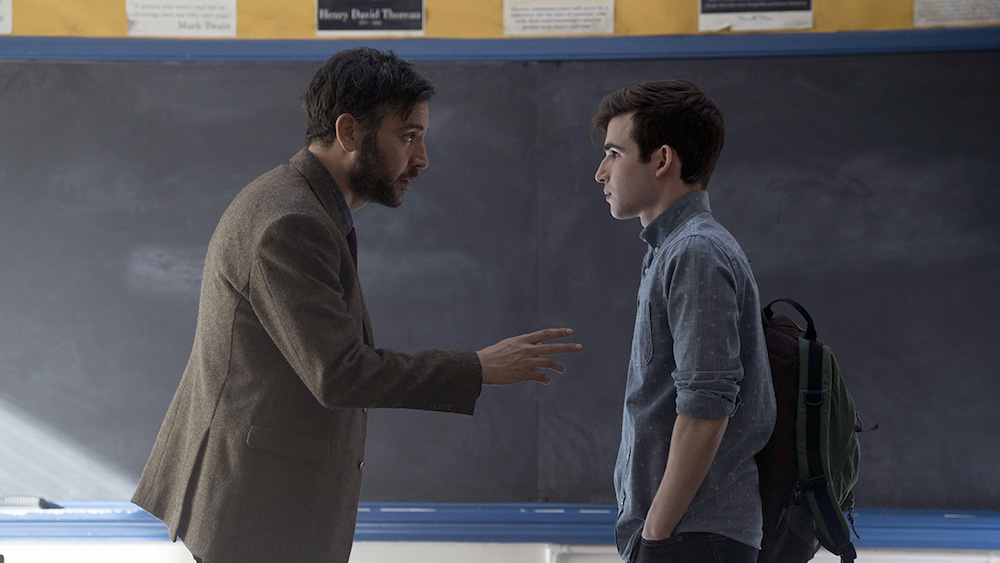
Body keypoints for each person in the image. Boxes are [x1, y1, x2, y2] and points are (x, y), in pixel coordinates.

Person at [132, 47, 581, 563]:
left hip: (258, 504)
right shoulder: (292, 222)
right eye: (408, 136)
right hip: (256, 513)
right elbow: (338, 374)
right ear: (348, 132)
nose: (422, 159)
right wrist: (476, 369)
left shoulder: (303, 205)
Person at [593, 80, 776, 563]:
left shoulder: (694, 251)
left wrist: (656, 534)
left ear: (661, 160)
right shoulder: (671, 250)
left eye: (614, 153)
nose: (601, 172)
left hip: (691, 538)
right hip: (685, 536)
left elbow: (706, 406)